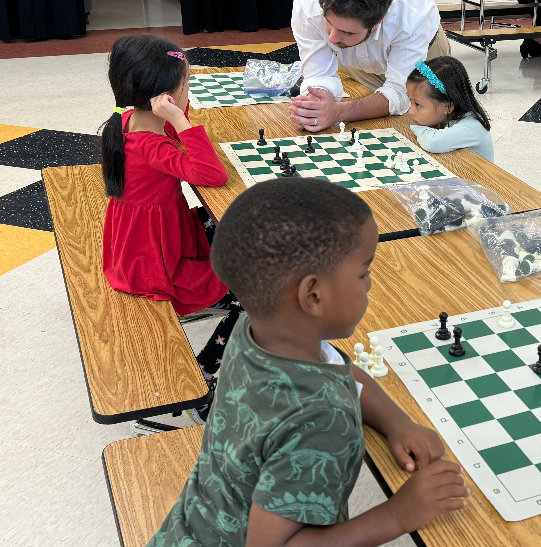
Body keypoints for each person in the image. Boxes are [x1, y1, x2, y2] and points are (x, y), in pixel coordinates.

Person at [146, 178, 469, 547]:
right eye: (363, 272)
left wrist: (397, 423)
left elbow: (340, 370)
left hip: (193, 526)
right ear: (313, 296)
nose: (369, 285)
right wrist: (398, 514)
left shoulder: (256, 330)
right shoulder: (320, 419)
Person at [100, 36, 242, 383]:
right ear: (163, 98)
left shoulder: (129, 119)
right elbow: (212, 175)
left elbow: (177, 136)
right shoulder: (152, 147)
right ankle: (206, 374)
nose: (189, 89)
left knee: (230, 226)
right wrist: (181, 122)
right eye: (187, 82)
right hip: (155, 262)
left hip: (142, 239)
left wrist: (176, 113)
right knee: (254, 282)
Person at [290, 0, 451, 131]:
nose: (332, 38)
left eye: (347, 32)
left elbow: (399, 92)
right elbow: (319, 75)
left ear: (377, 23)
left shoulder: (413, 15)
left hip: (424, 58)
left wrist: (338, 112)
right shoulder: (307, 2)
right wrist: (314, 108)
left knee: (431, 126)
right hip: (356, 57)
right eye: (328, 23)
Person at [406, 56, 494, 162]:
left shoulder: (472, 126)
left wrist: (416, 128)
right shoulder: (444, 117)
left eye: (417, 105)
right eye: (410, 101)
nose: (410, 111)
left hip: (479, 177)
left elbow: (433, 143)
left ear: (447, 107)